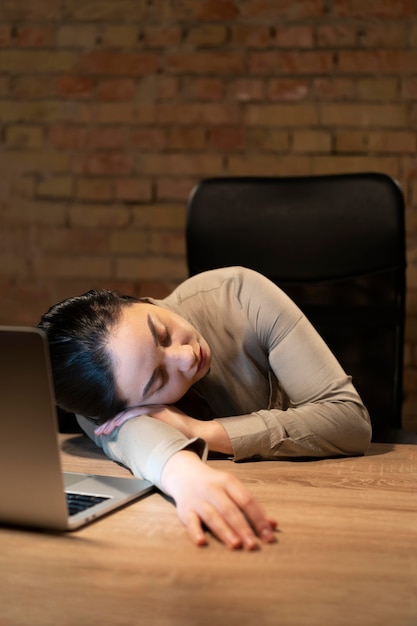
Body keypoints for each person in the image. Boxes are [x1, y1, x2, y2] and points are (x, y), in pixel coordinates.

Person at [38, 266, 371, 549]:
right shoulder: (104, 385)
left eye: (163, 333)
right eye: (158, 379)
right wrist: (182, 474)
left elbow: (349, 420)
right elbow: (121, 432)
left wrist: (200, 431)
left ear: (138, 301)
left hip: (347, 501)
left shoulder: (239, 293)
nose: (185, 356)